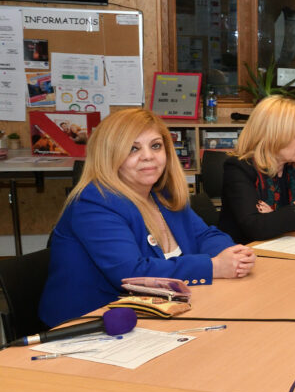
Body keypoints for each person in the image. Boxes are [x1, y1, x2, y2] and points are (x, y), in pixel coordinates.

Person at [39, 108, 255, 327]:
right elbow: (131, 273)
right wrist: (214, 267)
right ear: (109, 155)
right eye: (133, 148)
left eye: (155, 146)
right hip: (90, 326)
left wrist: (233, 255)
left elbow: (205, 235)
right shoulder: (93, 204)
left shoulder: (162, 194)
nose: (148, 156)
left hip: (156, 314)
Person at [219, 96, 295, 243]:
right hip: (247, 256)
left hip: (287, 249)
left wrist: (290, 222)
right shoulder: (239, 169)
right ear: (274, 137)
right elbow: (255, 228)